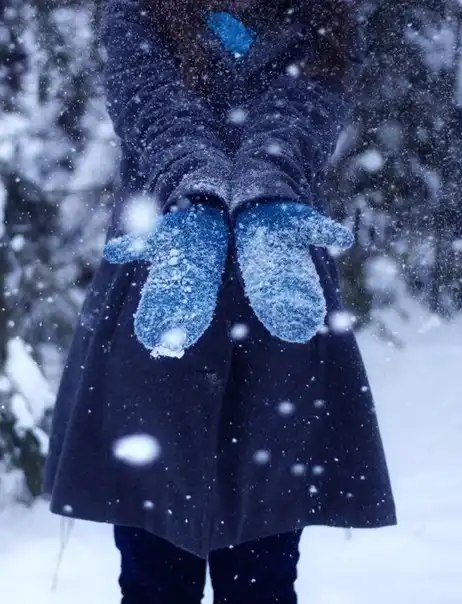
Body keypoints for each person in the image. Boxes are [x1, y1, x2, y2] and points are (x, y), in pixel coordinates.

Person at [43, 0, 396, 602]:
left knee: (263, 572)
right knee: (155, 572)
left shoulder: (324, 12)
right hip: (165, 281)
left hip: (277, 286)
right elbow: (149, 102)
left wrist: (263, 193)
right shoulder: (141, 8)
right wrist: (196, 191)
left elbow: (306, 112)